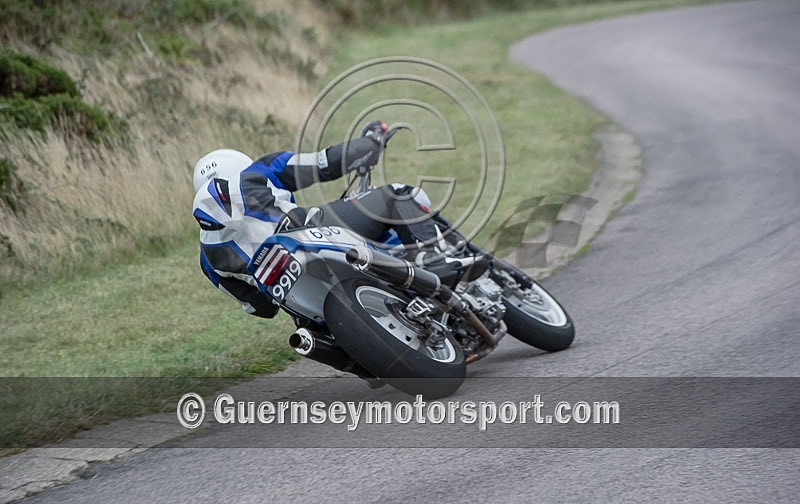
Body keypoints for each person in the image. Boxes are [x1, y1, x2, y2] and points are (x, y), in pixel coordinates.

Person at [192, 121, 444, 319]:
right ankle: (432, 260)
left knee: (306, 327)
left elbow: (262, 309)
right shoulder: (257, 171)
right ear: (239, 166)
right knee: (398, 194)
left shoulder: (207, 261)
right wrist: (370, 142)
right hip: (314, 233)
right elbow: (325, 163)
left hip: (307, 307)